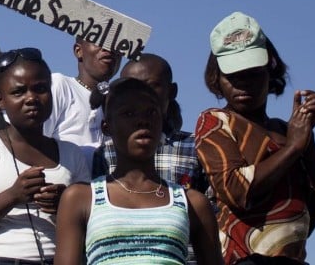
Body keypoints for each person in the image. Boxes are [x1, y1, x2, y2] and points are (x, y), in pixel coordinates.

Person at [195, 12, 315, 265]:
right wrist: (293, 147)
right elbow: (236, 189)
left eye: (252, 74)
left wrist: (307, 138)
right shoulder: (215, 121)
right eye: (233, 77)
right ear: (217, 79)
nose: (243, 85)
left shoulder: (286, 129)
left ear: (270, 72)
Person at [55, 77, 222, 265]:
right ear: (106, 126)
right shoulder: (80, 198)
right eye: (128, 114)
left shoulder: (193, 203)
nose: (142, 121)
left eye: (151, 112)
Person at [0, 47, 90, 264]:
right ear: (0, 100)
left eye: (40, 89)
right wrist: (12, 196)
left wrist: (65, 206)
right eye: (18, 92)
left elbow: (91, 228)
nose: (31, 98)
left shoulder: (72, 153)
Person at [93, 53, 204, 193]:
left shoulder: (196, 146)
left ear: (172, 91)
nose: (141, 95)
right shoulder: (105, 152)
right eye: (131, 88)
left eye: (151, 86)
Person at [43, 37, 121, 167]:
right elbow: (37, 140)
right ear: (79, 51)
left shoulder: (120, 102)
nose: (108, 49)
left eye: (116, 45)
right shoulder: (60, 85)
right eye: (99, 42)